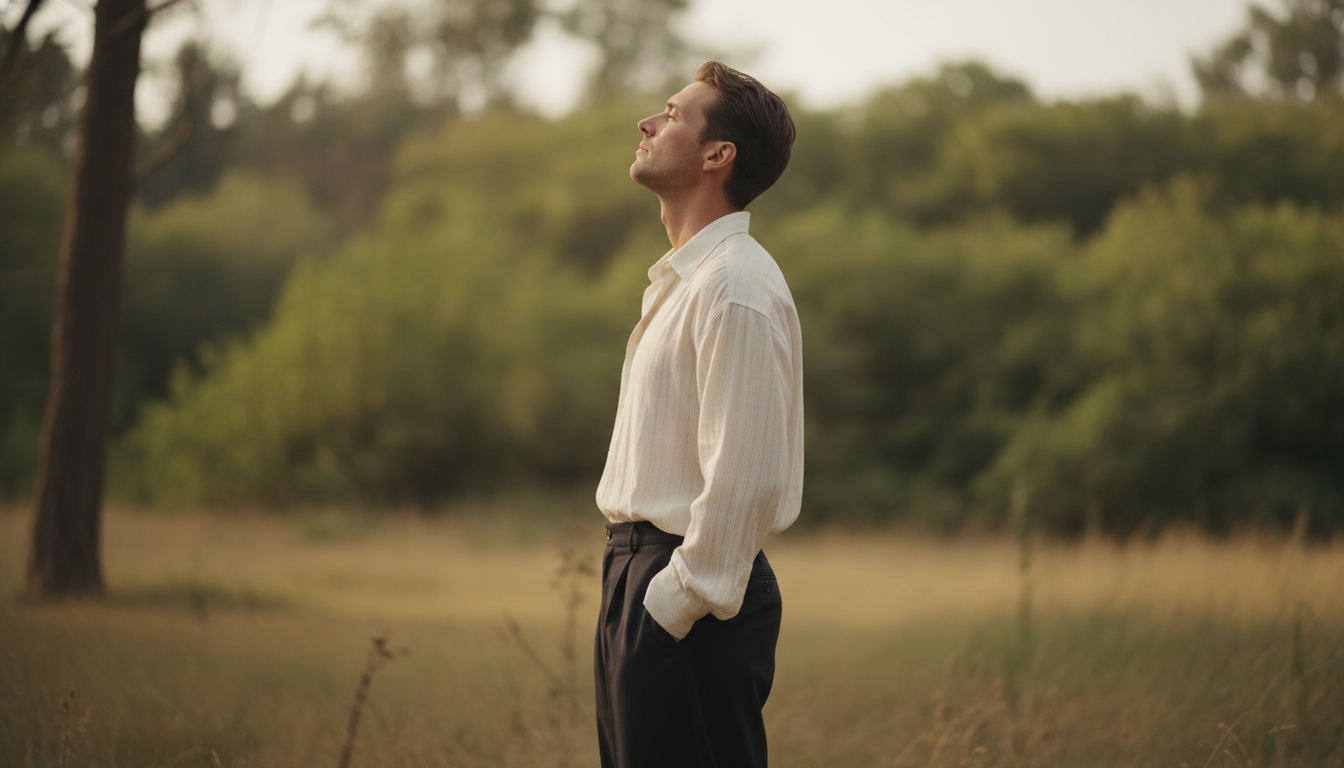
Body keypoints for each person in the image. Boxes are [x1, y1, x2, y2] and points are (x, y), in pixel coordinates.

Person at [592, 61, 803, 768]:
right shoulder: (683, 281)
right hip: (641, 578)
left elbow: (747, 473)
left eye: (674, 114)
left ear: (718, 156)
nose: (649, 124)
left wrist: (674, 603)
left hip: (687, 593)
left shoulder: (734, 286)